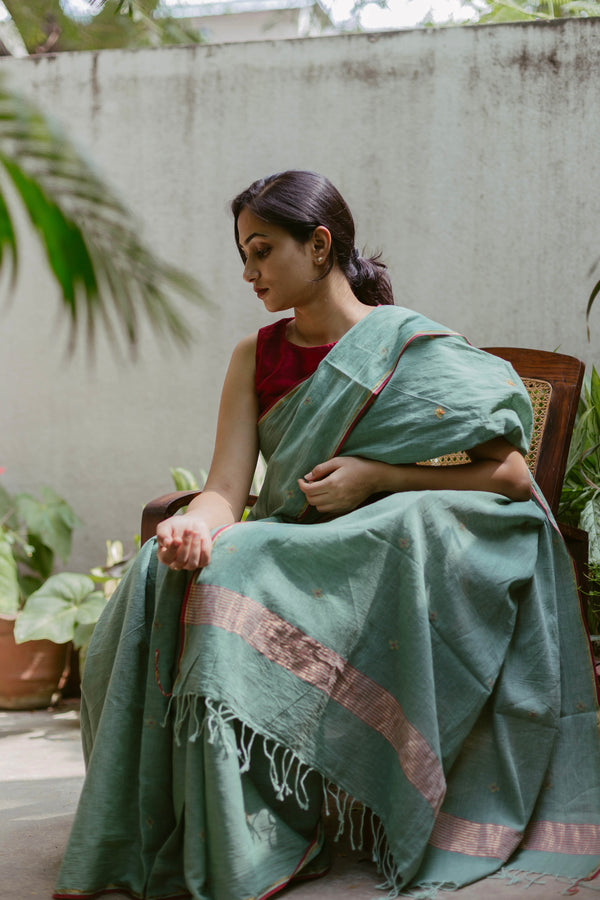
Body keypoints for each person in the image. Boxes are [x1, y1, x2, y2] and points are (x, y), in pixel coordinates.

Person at [54, 171, 600, 900]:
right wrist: (191, 524)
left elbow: (506, 476)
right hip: (299, 546)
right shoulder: (255, 356)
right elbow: (224, 490)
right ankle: (242, 835)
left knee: (246, 565)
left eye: (262, 250)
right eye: (241, 255)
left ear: (318, 246)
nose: (247, 273)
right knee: (184, 567)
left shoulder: (407, 346)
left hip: (371, 554)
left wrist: (378, 477)